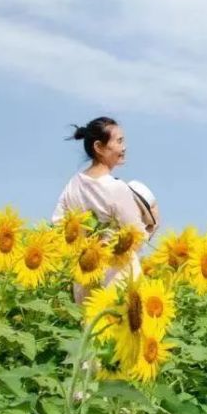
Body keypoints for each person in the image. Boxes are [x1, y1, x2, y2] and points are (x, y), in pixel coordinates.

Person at [53, 116, 145, 301]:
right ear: (99, 147)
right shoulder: (116, 188)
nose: (124, 147)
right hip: (119, 282)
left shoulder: (73, 184)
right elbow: (137, 237)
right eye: (119, 141)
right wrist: (152, 222)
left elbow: (58, 226)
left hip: (86, 278)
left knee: (91, 329)